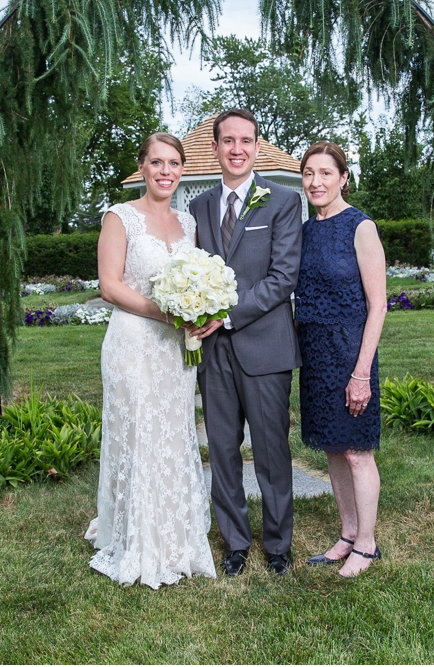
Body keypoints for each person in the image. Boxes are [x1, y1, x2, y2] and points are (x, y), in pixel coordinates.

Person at [86, 132, 216, 589]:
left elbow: (198, 280)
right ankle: (135, 538)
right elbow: (110, 286)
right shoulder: (119, 218)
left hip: (175, 349)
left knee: (172, 430)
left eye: (174, 163)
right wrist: (166, 312)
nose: (166, 171)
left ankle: (174, 537)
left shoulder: (189, 223)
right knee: (138, 431)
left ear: (182, 170)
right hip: (134, 341)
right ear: (142, 167)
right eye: (157, 162)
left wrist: (198, 310)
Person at [187, 109, 303, 576]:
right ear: (214, 148)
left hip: (265, 347)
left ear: (256, 146)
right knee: (222, 449)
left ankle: (278, 545)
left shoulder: (282, 201)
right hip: (213, 354)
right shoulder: (198, 207)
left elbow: (282, 277)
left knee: (272, 451)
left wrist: (226, 318)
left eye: (246, 141)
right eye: (228, 141)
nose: (237, 149)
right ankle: (234, 542)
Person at [295, 141, 387, 579]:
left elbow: (379, 304)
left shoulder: (360, 226)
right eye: (309, 173)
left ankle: (367, 545)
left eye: (326, 173)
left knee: (356, 451)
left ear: (343, 178)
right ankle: (348, 534)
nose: (316, 181)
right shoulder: (307, 229)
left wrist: (362, 372)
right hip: (314, 352)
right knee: (333, 448)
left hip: (351, 351)